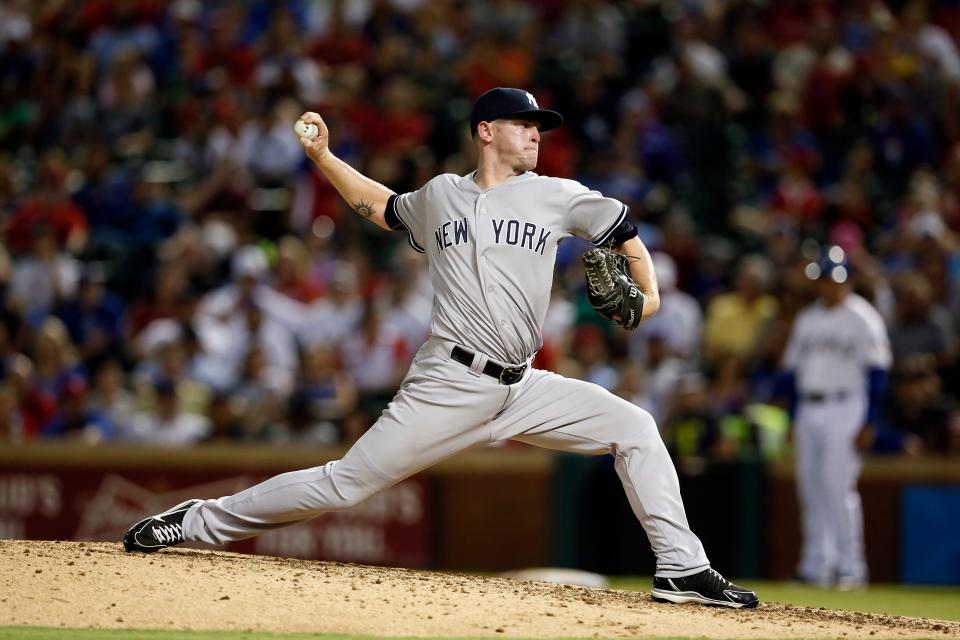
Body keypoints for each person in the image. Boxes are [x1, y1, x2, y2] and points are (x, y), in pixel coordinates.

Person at [122, 87, 758, 608]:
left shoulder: (558, 194)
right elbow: (380, 207)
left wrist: (645, 301)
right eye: (523, 123)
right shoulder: (440, 196)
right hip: (447, 383)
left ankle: (682, 569)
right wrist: (322, 157)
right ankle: (199, 520)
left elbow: (630, 240)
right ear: (486, 131)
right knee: (344, 485)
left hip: (523, 385)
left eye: (541, 127)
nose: (537, 134)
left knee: (636, 428)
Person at [781, 246, 892, 590]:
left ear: (847, 281)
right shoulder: (808, 318)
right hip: (810, 408)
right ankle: (816, 566)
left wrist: (870, 420)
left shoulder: (863, 317)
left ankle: (850, 566)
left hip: (847, 407)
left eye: (834, 280)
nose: (828, 286)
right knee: (811, 489)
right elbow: (792, 374)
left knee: (838, 487)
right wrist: (791, 421)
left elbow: (878, 373)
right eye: (823, 280)